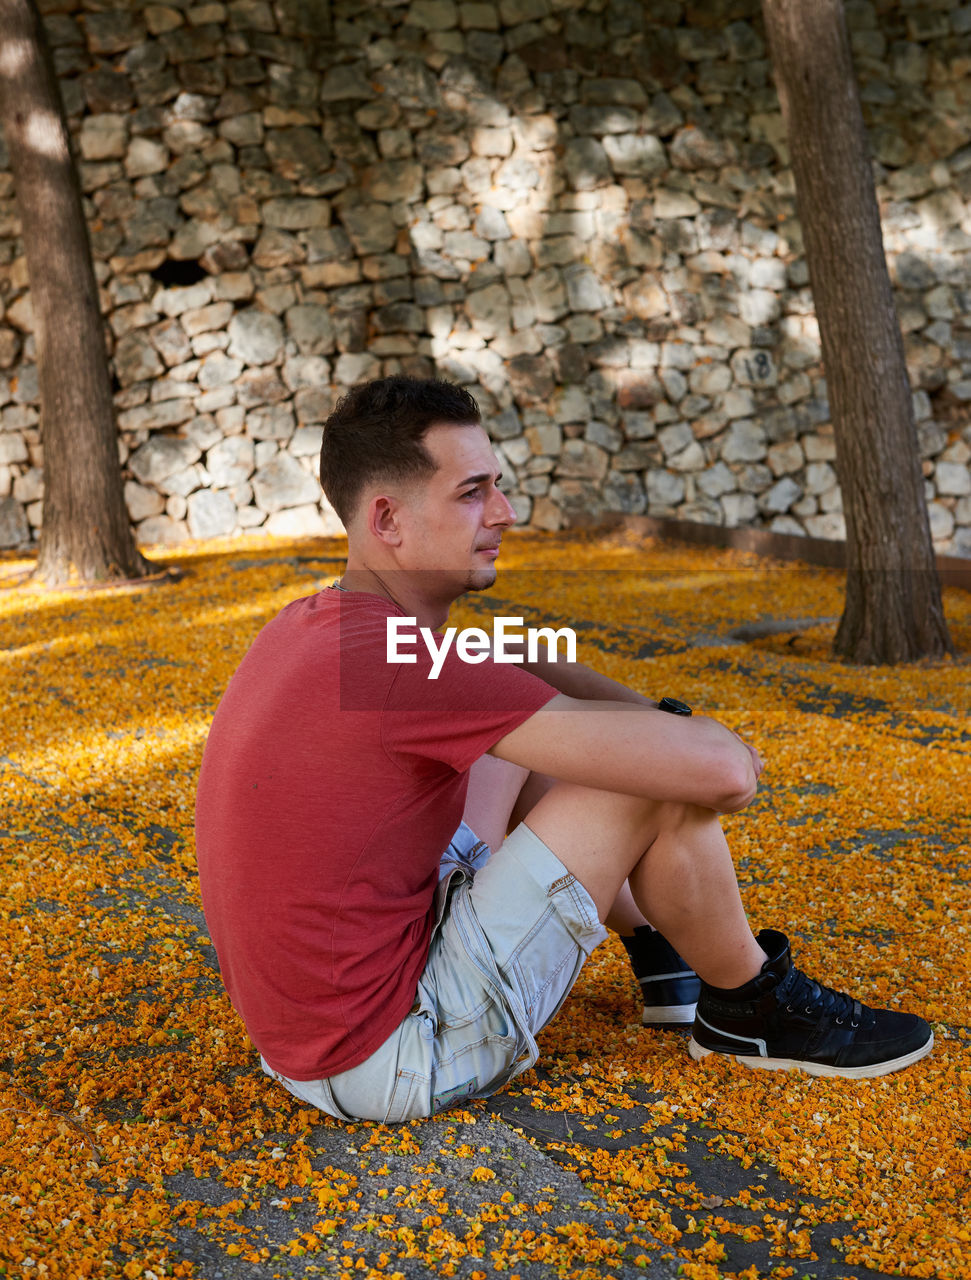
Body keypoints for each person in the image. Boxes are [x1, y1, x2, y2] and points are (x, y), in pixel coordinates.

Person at [195, 376, 933, 1123]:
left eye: (499, 488)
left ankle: (664, 958)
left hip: (316, 1034)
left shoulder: (328, 626)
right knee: (645, 781)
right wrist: (680, 733)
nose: (505, 514)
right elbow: (724, 775)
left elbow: (504, 652)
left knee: (520, 737)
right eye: (473, 492)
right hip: (391, 1056)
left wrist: (650, 715)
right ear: (387, 518)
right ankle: (750, 1004)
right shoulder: (399, 664)